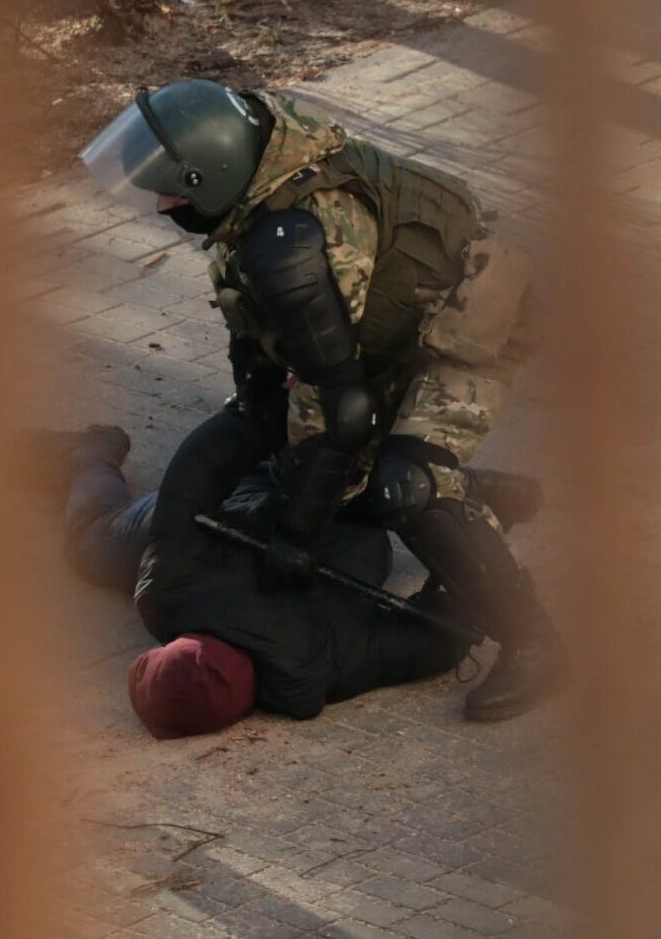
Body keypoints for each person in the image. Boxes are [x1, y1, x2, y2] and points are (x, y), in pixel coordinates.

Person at [81, 81, 559, 721]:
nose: (164, 202)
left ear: (212, 172)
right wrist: (258, 421)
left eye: (174, 188)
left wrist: (297, 533)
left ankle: (536, 644)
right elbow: (274, 366)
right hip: (389, 327)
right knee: (317, 456)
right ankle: (478, 492)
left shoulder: (296, 241)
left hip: (469, 328)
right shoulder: (257, 185)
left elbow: (342, 407)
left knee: (407, 484)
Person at [44, 420, 542, 736]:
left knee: (91, 538)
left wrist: (459, 572)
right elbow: (196, 466)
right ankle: (443, 491)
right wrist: (252, 413)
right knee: (93, 541)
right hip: (274, 470)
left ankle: (441, 494)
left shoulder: (323, 667)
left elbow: (439, 639)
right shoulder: (168, 585)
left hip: (324, 500)